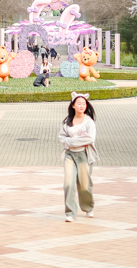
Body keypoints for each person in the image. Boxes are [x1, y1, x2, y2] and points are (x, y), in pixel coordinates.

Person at [59, 92, 98, 222]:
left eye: (84, 104)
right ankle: (70, 213)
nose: (82, 106)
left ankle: (88, 208)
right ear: (73, 105)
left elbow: (90, 138)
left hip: (84, 155)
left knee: (84, 184)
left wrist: (70, 141)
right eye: (79, 103)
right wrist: (75, 141)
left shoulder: (89, 122)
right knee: (68, 183)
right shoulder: (67, 122)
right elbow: (61, 138)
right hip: (69, 155)